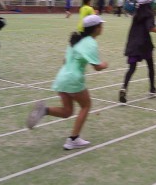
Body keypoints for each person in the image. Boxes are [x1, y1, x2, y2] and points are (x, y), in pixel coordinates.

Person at [26, 14, 107, 150]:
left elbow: (64, 60)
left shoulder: (76, 40)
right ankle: (73, 139)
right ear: (96, 28)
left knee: (67, 111)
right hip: (73, 80)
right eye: (101, 25)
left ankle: (44, 110)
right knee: (86, 106)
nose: (102, 27)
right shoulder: (91, 43)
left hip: (61, 78)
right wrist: (105, 64)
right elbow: (97, 67)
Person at [118, 0, 156, 103]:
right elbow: (150, 28)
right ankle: (152, 88)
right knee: (150, 66)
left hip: (133, 43)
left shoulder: (136, 15)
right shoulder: (149, 14)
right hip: (144, 44)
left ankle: (124, 87)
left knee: (132, 68)